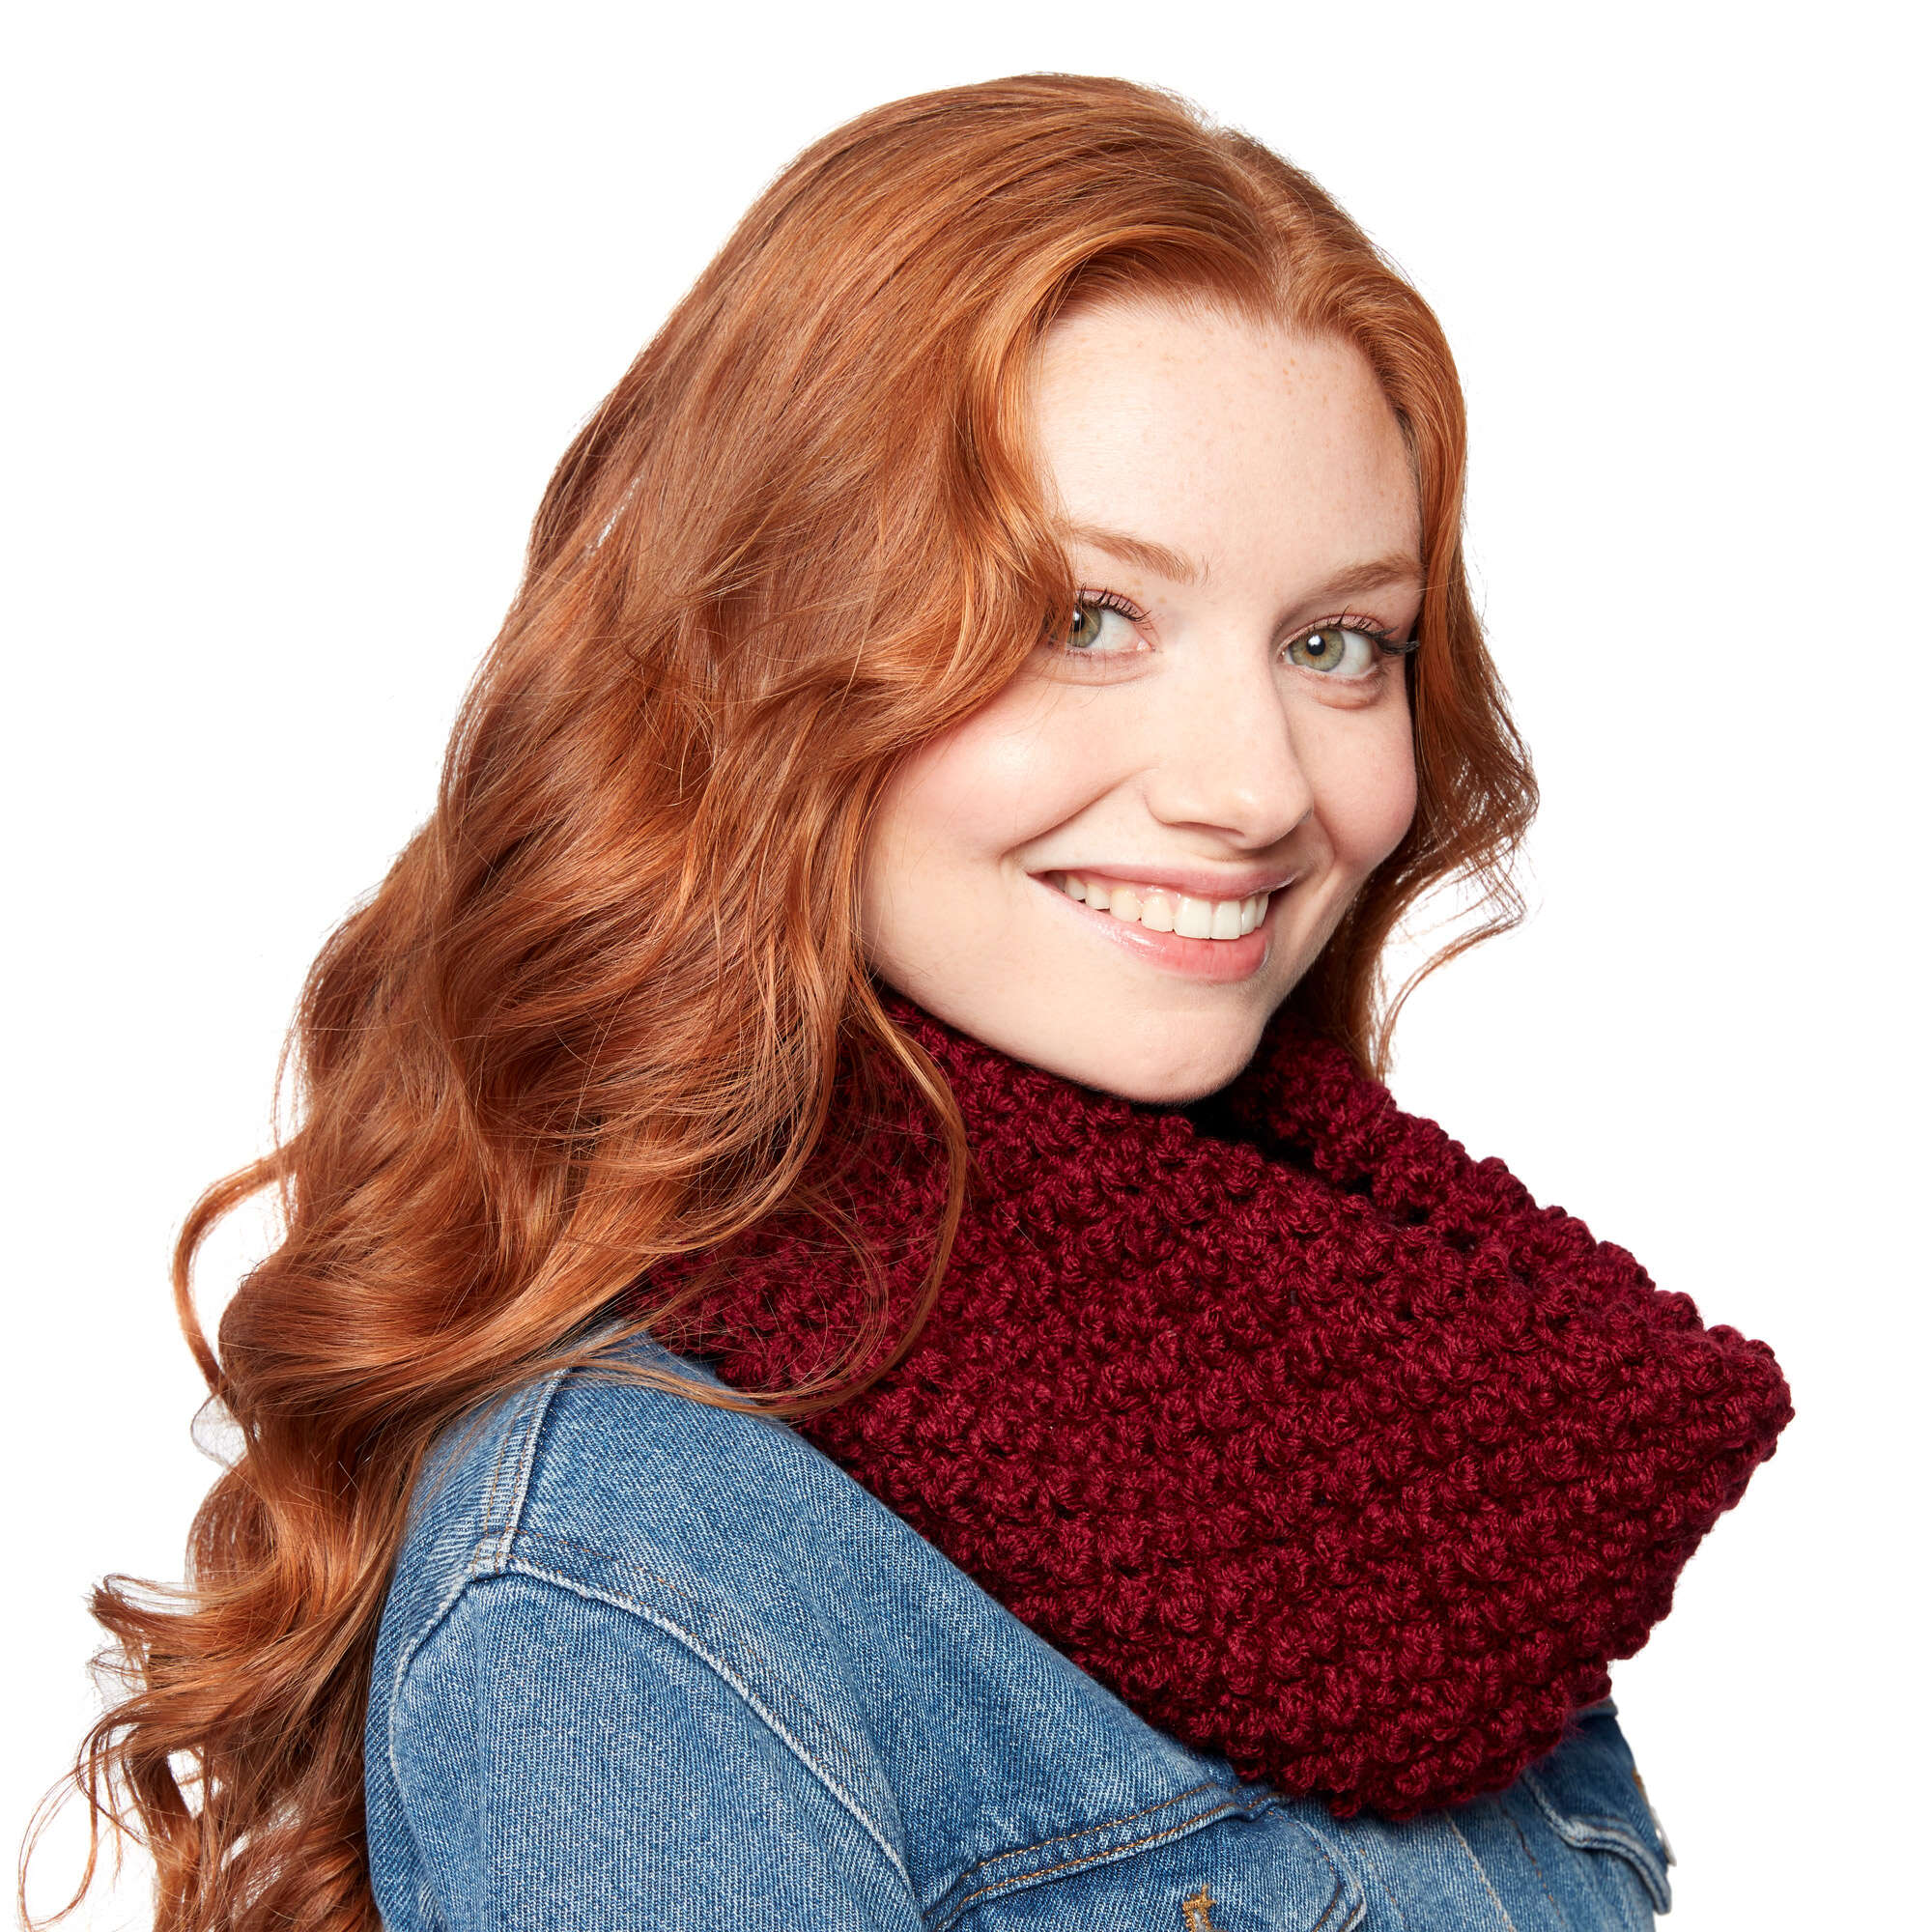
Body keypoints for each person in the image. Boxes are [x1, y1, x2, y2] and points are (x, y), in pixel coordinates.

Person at [34, 73, 1789, 1930]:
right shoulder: (628, 1572)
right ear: (762, 646)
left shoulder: (1390, 1447)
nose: (1257, 785)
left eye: (1337, 642)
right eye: (1083, 619)